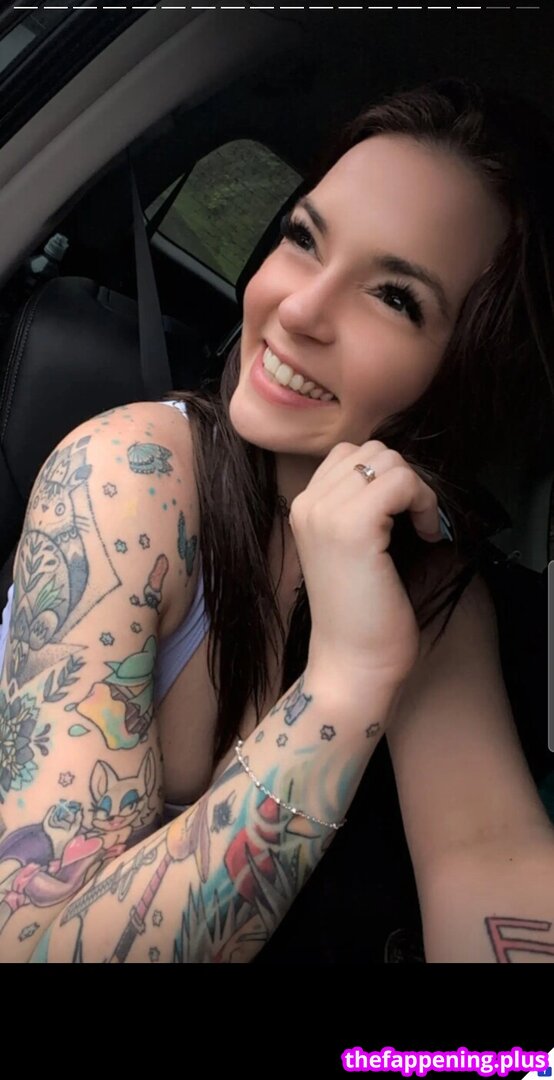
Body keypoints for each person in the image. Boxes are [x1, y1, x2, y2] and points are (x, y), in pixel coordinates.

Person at [0, 77, 553, 964]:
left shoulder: (433, 588)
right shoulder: (130, 480)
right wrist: (346, 682)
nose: (297, 309)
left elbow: (489, 856)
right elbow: (29, 946)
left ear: (466, 376)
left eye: (394, 297)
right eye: (303, 239)